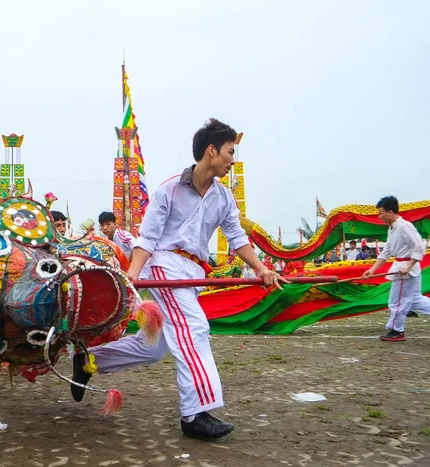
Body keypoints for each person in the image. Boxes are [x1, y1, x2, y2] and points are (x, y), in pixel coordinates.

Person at [71, 118, 285, 440]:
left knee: (155, 346)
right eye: (230, 151)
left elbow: (237, 238)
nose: (232, 159)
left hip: (193, 273)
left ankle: (88, 360)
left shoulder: (224, 198)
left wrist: (261, 269)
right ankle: (195, 413)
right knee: (193, 328)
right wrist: (132, 273)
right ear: (211, 151)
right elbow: (148, 238)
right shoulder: (168, 189)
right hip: (164, 266)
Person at [362, 196, 430, 341]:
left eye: (381, 213)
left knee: (397, 301)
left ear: (390, 212)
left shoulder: (404, 226)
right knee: (415, 300)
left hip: (405, 270)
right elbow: (386, 251)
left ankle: (396, 330)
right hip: (403, 266)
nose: (379, 216)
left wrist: (408, 266)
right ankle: (396, 329)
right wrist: (372, 270)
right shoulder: (392, 229)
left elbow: (420, 246)